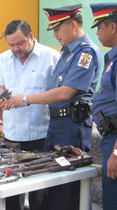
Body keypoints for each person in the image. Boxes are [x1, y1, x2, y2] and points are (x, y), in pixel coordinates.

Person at [0, 4, 101, 210]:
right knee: (53, 192)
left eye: (56, 29)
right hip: (56, 126)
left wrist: (26, 99)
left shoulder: (85, 53)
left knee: (70, 191)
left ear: (73, 25)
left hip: (72, 127)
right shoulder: (67, 53)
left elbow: (65, 92)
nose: (54, 35)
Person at [0, 20, 60, 210]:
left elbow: (59, 93)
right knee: (12, 191)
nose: (15, 49)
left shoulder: (51, 57)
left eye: (20, 44)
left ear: (31, 37)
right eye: (11, 44)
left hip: (41, 134)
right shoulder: (4, 58)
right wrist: (1, 98)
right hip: (12, 135)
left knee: (39, 193)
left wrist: (27, 99)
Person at [90, 3, 117, 210]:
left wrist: (116, 154)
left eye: (99, 27)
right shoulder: (111, 59)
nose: (97, 33)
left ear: (113, 27)